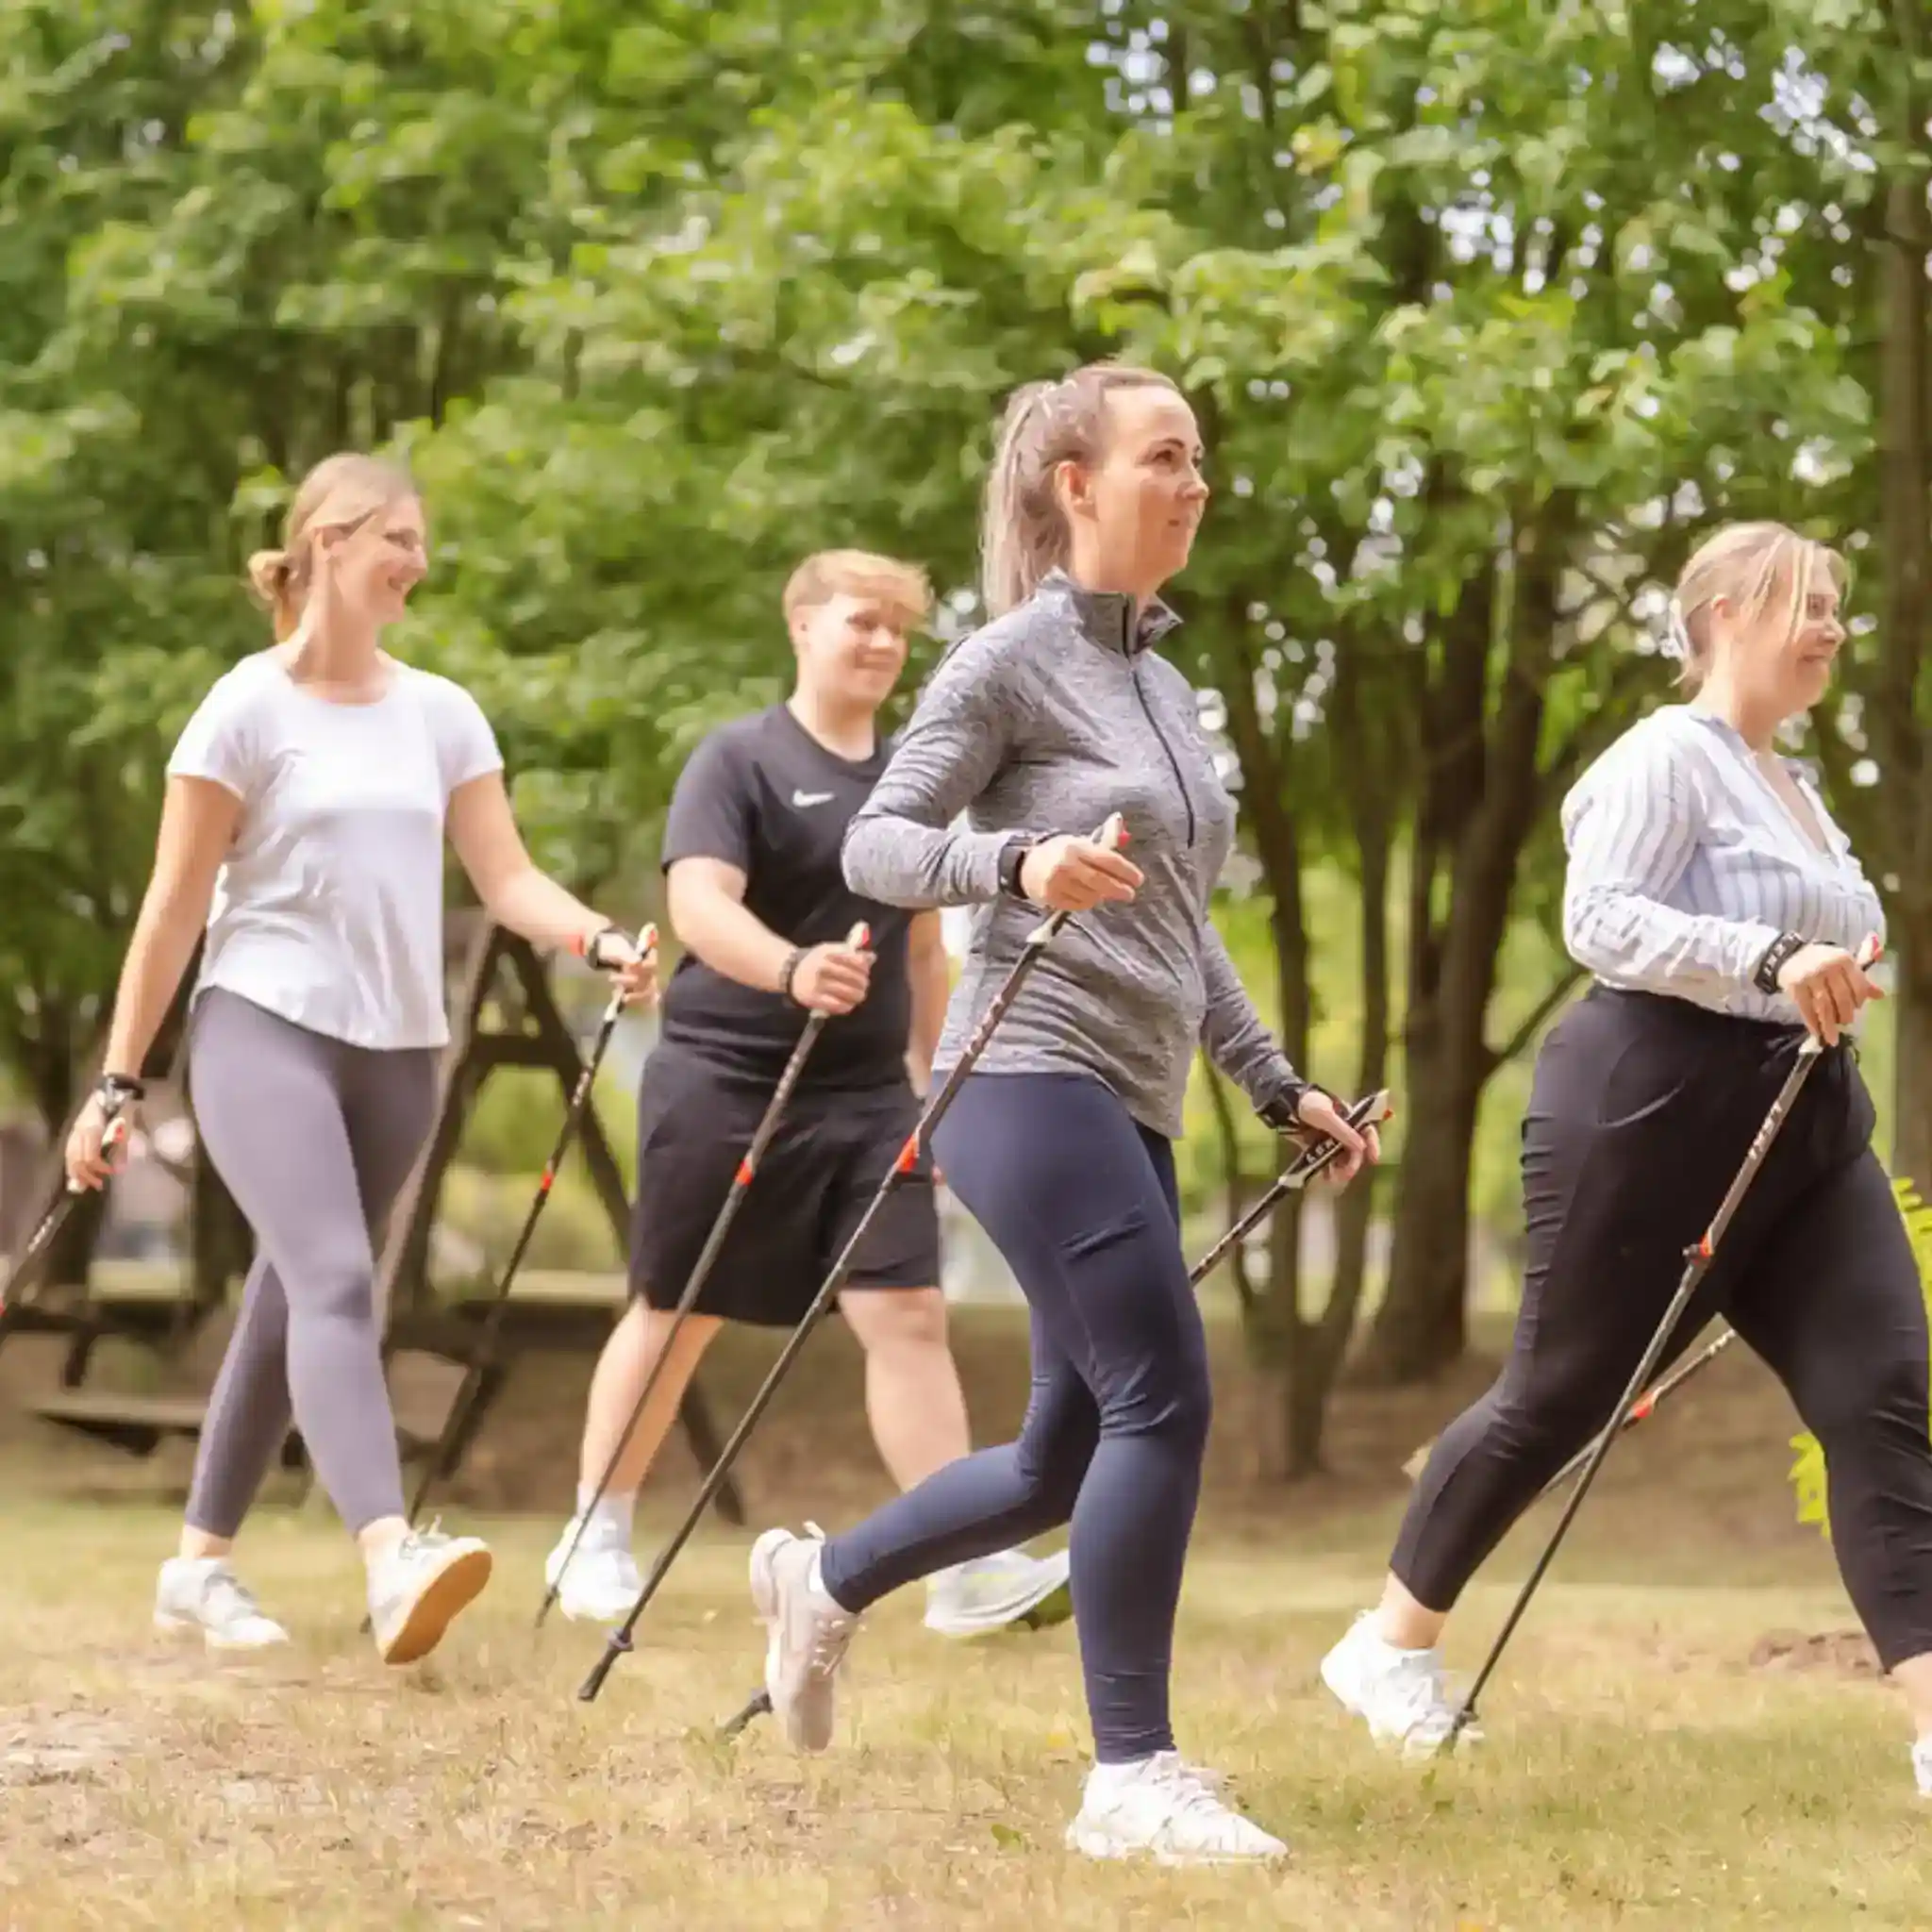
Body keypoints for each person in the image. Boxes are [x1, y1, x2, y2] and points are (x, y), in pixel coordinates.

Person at [738, 364, 1380, 1866]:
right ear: (1074, 486)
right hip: (1022, 1077)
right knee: (1168, 1396)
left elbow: (1179, 924)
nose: (1197, 480)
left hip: (1133, 1091)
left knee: (1061, 1457)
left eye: (1201, 457)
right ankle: (1130, 1775)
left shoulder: (1162, 684)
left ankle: (825, 1582)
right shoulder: (1008, 663)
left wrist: (1279, 1085)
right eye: (1166, 456)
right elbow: (888, 844)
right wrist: (1013, 867)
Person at [1319, 520, 1932, 1795]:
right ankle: (1388, 1648)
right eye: (1801, 603)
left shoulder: (1797, 785)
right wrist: (1770, 960)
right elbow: (1597, 918)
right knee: (1562, 1394)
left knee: (1883, 1400)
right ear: (1718, 615)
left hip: (1807, 1127)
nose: (1828, 626)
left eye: (1837, 604)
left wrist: (1829, 968)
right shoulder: (1666, 757)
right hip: (1651, 1110)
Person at [64, 452, 658, 1667]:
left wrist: (592, 935)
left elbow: (505, 877)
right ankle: (392, 1555)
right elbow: (173, 909)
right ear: (328, 539)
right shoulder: (243, 706)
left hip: (397, 1047)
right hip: (259, 1022)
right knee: (338, 1276)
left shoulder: (440, 711)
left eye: (422, 544)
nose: (417, 563)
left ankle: (197, 1566)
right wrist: (120, 1076)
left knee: (294, 1292)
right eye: (399, 537)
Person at [544, 548, 1073, 1640]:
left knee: (907, 1312)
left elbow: (925, 945)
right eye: (859, 622)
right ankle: (595, 1531)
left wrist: (934, 1077)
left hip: (866, 1095)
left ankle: (959, 1564)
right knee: (679, 1309)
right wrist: (789, 968)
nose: (881, 644)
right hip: (726, 1077)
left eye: (896, 629)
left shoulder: (917, 779)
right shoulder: (736, 758)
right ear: (801, 627)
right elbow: (696, 904)